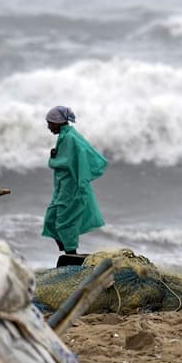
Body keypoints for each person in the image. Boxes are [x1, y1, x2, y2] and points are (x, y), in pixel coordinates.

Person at [42, 106, 108, 254]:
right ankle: (68, 251)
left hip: (70, 189)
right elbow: (67, 158)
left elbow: (79, 156)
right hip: (61, 188)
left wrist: (82, 184)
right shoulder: (65, 136)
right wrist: (55, 155)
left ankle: (71, 254)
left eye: (50, 123)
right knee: (51, 220)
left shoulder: (70, 138)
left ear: (58, 122)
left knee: (66, 223)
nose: (48, 127)